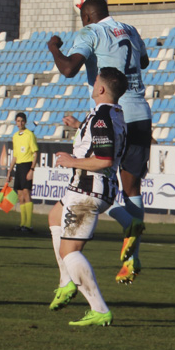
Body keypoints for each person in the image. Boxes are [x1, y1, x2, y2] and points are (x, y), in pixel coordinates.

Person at [48, 0, 151, 285]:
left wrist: (54, 47)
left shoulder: (91, 31)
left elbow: (68, 69)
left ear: (86, 15)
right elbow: (143, 63)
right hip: (141, 113)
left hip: (112, 112)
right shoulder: (130, 29)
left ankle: (74, 253)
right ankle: (132, 259)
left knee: (97, 177)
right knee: (132, 187)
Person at [46, 67, 126, 327]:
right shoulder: (113, 113)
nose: (92, 84)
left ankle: (98, 308)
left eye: (96, 82)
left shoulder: (103, 115)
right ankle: (66, 282)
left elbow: (104, 159)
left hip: (87, 189)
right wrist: (79, 126)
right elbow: (101, 141)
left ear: (101, 89)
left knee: (69, 252)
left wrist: (72, 160)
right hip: (92, 187)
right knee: (54, 216)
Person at [3, 112, 39, 233]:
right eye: (18, 121)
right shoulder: (15, 136)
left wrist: (32, 170)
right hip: (18, 166)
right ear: (15, 122)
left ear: (25, 122)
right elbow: (15, 155)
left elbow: (35, 153)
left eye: (22, 121)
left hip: (27, 166)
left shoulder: (30, 135)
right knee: (20, 196)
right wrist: (10, 170)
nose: (20, 123)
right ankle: (23, 223)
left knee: (26, 194)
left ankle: (29, 225)